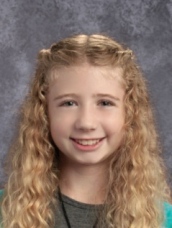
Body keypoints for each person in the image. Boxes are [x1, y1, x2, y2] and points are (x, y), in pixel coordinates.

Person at [0, 34, 172, 228]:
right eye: (69, 103)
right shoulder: (6, 211)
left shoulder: (163, 220)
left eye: (105, 103)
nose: (86, 123)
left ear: (130, 113)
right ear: (43, 112)